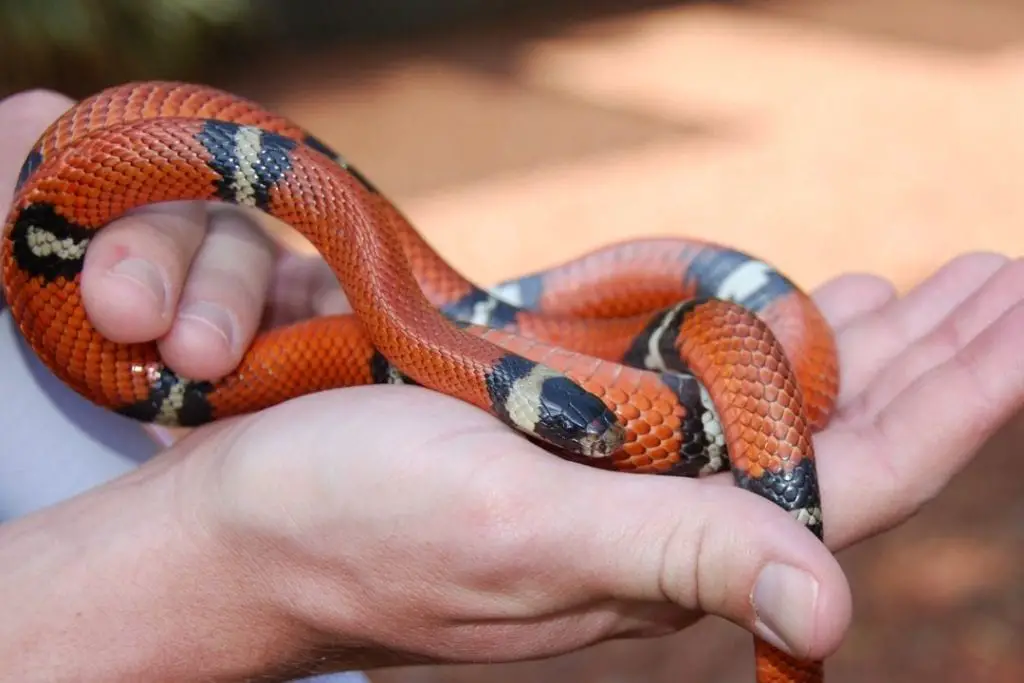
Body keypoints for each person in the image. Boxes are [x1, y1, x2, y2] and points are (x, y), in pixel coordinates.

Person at [0, 88, 1021, 683]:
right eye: (576, 431)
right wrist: (220, 563)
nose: (598, 438)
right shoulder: (425, 339)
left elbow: (424, 317)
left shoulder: (427, 333)